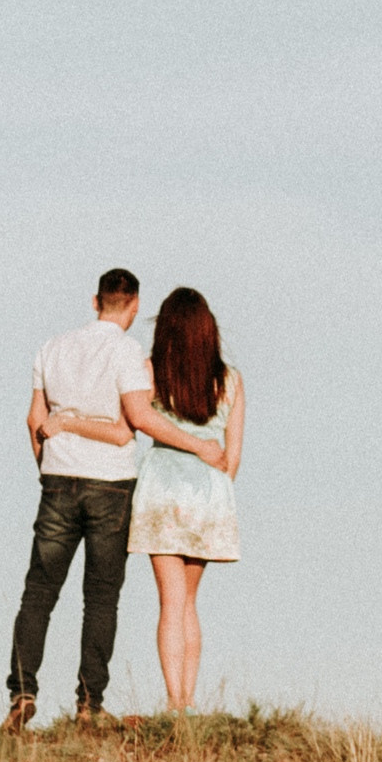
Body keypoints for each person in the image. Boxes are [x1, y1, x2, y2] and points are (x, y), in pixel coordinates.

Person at [3, 268, 216, 733]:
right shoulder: (127, 352)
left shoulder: (52, 347)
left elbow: (33, 418)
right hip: (112, 485)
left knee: (38, 592)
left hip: (58, 479)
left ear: (95, 300)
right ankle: (89, 704)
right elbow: (135, 420)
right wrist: (199, 446)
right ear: (135, 306)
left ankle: (22, 691)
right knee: (100, 598)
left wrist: (48, 467)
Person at [39, 285, 243, 715]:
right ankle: (187, 698)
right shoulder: (231, 380)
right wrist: (209, 472)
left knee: (169, 601)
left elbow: (129, 424)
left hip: (163, 491)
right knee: (189, 603)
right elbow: (233, 458)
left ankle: (176, 702)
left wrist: (69, 424)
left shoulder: (150, 372)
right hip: (209, 493)